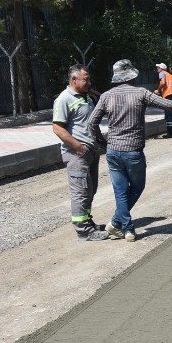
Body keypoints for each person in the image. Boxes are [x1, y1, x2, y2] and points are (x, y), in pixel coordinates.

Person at [87, 59, 172, 242]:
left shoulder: (106, 96)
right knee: (137, 186)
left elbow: (91, 123)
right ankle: (123, 227)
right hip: (133, 151)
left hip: (112, 151)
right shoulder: (140, 93)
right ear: (132, 75)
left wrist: (103, 142)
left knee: (120, 191)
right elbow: (166, 104)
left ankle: (124, 227)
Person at [52, 64, 108, 242]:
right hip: (77, 154)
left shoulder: (86, 97)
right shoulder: (64, 99)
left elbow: (91, 123)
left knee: (90, 190)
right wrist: (78, 147)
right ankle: (83, 231)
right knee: (80, 192)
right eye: (86, 79)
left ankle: (87, 222)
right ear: (74, 80)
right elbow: (58, 129)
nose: (89, 82)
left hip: (91, 152)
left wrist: (100, 142)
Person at [155, 62, 172, 138]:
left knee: (168, 113)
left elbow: (162, 83)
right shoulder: (171, 75)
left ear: (162, 69)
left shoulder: (162, 73)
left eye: (158, 68)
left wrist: (158, 90)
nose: (157, 69)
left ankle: (170, 133)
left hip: (169, 94)